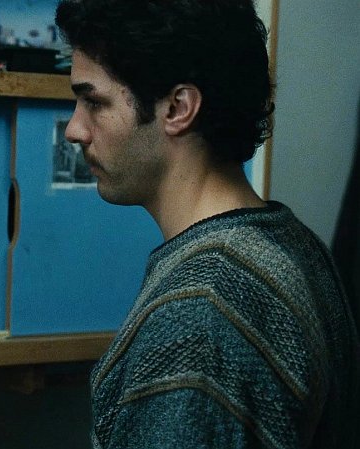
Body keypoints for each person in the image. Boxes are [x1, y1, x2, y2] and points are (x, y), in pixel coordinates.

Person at [54, 1, 360, 448]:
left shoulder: (199, 316)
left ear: (178, 108)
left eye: (94, 102)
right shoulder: (297, 246)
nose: (74, 129)